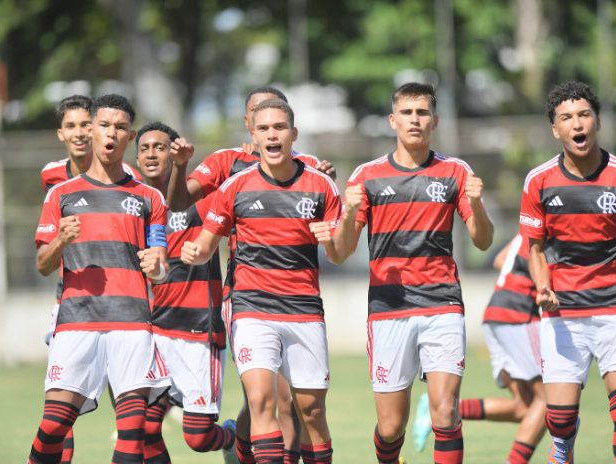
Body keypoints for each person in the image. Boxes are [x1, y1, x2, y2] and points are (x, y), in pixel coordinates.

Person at [167, 85, 335, 464]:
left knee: (296, 405)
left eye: (279, 123)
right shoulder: (227, 166)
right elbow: (180, 203)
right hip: (247, 297)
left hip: (301, 303)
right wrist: (180, 168)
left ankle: (244, 450)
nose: (271, 132)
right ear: (249, 126)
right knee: (265, 398)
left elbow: (334, 230)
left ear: (292, 129)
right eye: (261, 121)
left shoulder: (310, 170)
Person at [332, 82, 494, 464]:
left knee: (446, 412)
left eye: (422, 113)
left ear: (434, 121)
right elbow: (340, 253)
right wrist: (351, 213)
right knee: (390, 428)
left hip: (443, 304)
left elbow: (483, 241)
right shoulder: (366, 176)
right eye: (407, 112)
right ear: (393, 120)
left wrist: (475, 203)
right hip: (389, 308)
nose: (414, 120)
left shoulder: (455, 172)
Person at [520, 81, 616, 464]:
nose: (577, 124)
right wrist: (543, 287)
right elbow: (534, 249)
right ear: (556, 129)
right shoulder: (539, 180)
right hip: (562, 310)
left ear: (596, 121)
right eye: (566, 118)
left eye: (584, 115)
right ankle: (563, 445)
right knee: (560, 418)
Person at [29, 94, 170, 464]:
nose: (111, 133)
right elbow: (43, 264)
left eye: (121, 127)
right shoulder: (60, 194)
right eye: (104, 125)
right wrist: (61, 239)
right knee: (54, 424)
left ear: (130, 136)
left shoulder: (149, 197)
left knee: (132, 433)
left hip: (133, 324)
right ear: (91, 130)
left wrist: (157, 264)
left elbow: (160, 266)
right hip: (77, 322)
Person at [134, 121, 237, 463]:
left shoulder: (202, 202)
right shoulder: (133, 205)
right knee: (143, 428)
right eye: (145, 148)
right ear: (136, 159)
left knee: (198, 437)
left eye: (160, 147)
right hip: (153, 331)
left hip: (197, 329)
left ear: (176, 152)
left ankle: (236, 437)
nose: (152, 153)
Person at [413, 234, 545, 463]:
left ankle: (443, 408)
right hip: (519, 315)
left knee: (524, 407)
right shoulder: (551, 226)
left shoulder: (527, 228)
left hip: (496, 313)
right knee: (549, 401)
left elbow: (500, 259)